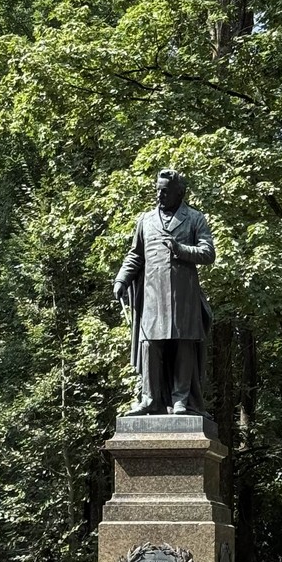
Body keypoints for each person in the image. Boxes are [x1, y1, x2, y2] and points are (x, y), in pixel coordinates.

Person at [113, 169, 215, 415]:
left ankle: (180, 399)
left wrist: (180, 249)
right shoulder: (146, 220)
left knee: (183, 344)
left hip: (183, 296)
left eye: (166, 191)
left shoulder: (194, 218)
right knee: (150, 345)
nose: (160, 195)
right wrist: (122, 279)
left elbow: (208, 253)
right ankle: (150, 399)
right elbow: (136, 255)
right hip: (152, 295)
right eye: (158, 189)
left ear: (179, 193)